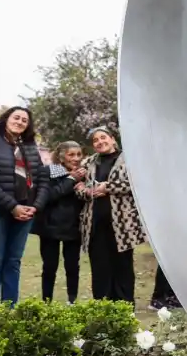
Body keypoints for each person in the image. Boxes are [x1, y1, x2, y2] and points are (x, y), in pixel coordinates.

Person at [0, 106, 49, 309]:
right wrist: (13, 206)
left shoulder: (30, 148)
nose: (20, 122)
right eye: (16, 117)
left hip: (26, 214)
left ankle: (9, 311)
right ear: (6, 119)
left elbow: (42, 179)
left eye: (24, 120)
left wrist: (35, 206)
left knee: (13, 262)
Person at [78, 127, 148, 304]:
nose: (100, 142)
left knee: (122, 268)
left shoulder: (129, 159)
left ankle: (124, 309)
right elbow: (78, 187)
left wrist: (108, 187)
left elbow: (137, 183)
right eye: (95, 140)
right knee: (100, 269)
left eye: (103, 137)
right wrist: (87, 192)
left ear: (112, 139)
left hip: (122, 226)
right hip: (94, 225)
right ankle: (102, 309)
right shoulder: (88, 163)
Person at [36, 141, 87, 303]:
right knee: (49, 267)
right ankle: (47, 301)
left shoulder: (84, 173)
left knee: (72, 266)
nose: (76, 158)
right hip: (50, 227)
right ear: (61, 156)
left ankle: (72, 301)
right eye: (71, 155)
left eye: (79, 154)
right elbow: (49, 196)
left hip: (74, 227)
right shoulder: (48, 171)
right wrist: (71, 179)